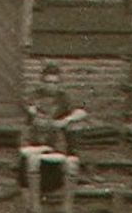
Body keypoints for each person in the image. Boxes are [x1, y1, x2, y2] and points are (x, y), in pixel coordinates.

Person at [19, 62, 87, 213]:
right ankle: (35, 206)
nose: (52, 86)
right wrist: (37, 116)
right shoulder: (35, 96)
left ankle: (67, 207)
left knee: (74, 129)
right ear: (42, 82)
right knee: (32, 159)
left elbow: (82, 112)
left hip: (56, 134)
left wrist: (65, 120)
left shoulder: (64, 97)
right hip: (37, 137)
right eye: (48, 82)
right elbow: (30, 109)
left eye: (55, 82)